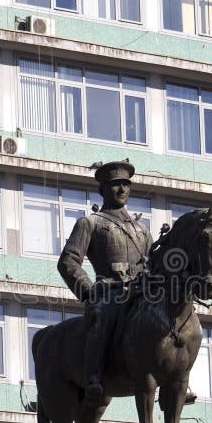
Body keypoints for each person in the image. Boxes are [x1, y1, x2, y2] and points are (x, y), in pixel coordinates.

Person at [58, 160, 152, 403]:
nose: (121, 190)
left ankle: (177, 379)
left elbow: (154, 267)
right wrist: (88, 291)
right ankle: (94, 377)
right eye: (114, 185)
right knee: (103, 317)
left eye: (125, 185)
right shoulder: (91, 223)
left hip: (141, 293)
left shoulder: (143, 230)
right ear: (103, 189)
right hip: (109, 292)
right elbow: (68, 261)